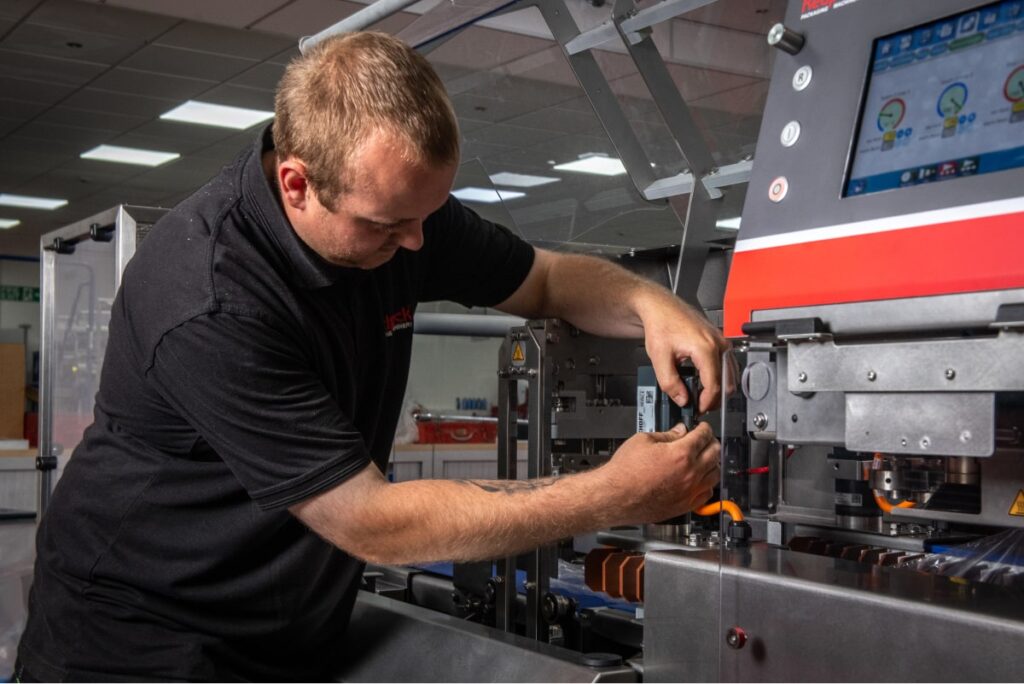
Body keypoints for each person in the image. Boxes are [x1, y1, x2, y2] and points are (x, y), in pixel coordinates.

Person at [16, 31, 730, 681]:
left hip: (284, 626)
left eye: (425, 218)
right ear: (297, 184)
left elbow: (544, 279)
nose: (419, 245)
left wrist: (651, 306)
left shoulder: (402, 217)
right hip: (136, 643)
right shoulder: (211, 296)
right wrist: (613, 493)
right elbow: (371, 521)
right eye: (390, 226)